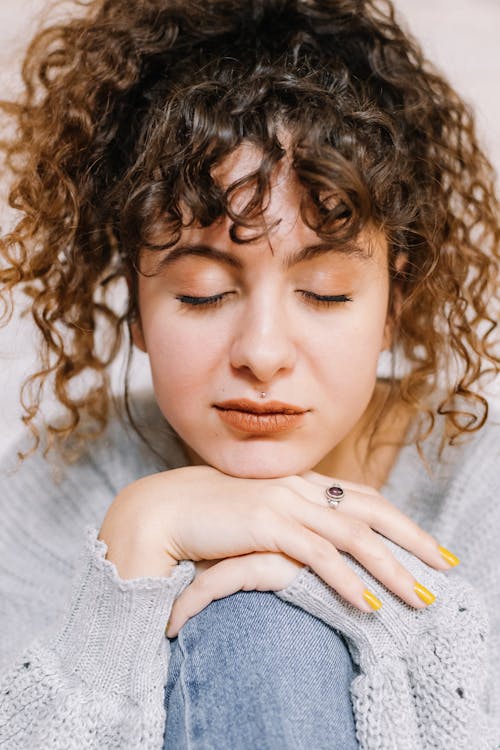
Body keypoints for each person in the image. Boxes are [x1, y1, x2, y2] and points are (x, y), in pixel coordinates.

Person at [0, 0, 499, 747]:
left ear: (393, 303)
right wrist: (139, 542)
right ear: (135, 304)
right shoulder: (49, 494)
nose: (262, 353)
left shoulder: (479, 491)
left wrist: (324, 591)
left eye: (325, 292)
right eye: (203, 294)